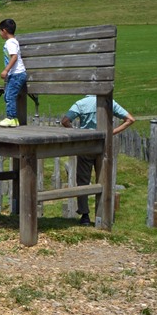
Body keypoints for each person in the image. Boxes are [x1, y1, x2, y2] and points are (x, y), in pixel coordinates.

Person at [61, 95, 135, 226]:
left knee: (83, 181)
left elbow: (65, 120)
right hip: (104, 146)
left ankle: (85, 215)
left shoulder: (81, 103)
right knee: (103, 180)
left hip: (86, 145)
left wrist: (78, 133)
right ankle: (102, 214)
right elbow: (130, 119)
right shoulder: (109, 102)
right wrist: (110, 132)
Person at [0, 18, 27, 128]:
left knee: (10, 96)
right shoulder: (13, 42)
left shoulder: (10, 42)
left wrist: (6, 70)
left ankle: (10, 118)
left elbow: (14, 57)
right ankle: (13, 119)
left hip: (16, 74)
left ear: (4, 30)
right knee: (8, 96)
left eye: (0, 31)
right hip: (15, 74)